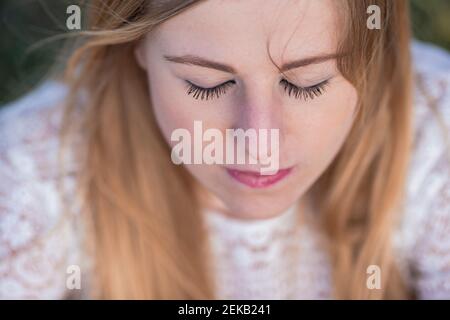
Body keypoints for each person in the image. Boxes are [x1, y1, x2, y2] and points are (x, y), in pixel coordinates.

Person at [1, 0, 449, 299]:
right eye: (206, 84)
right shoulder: (32, 170)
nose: (258, 144)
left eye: (305, 83)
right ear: (136, 45)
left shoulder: (436, 126)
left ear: (376, 51)